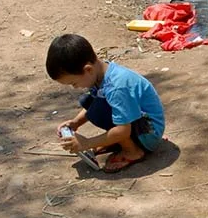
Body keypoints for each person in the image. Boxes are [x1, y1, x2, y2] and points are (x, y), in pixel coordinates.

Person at [46, 34, 165, 173]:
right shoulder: (100, 73)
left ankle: (132, 151)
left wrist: (87, 143)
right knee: (90, 102)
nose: (75, 87)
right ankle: (119, 141)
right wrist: (75, 123)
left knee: (100, 109)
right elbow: (96, 100)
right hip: (138, 123)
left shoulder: (116, 87)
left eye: (74, 83)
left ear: (88, 69)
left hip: (148, 133)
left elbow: (122, 130)